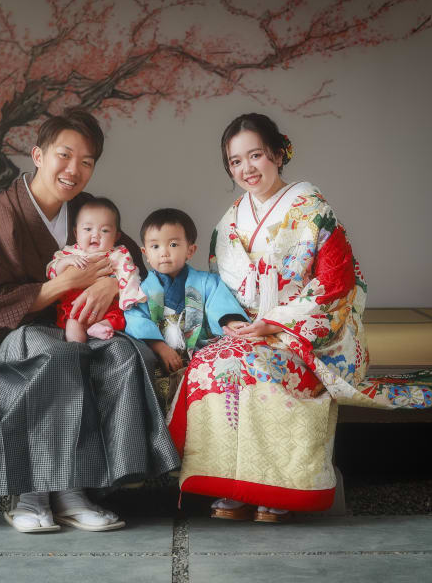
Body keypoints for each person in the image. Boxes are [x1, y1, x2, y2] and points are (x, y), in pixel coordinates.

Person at [0, 108, 180, 534]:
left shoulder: (87, 210)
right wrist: (60, 286)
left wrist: (110, 287)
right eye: (65, 156)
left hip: (75, 327)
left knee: (123, 353)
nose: (74, 170)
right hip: (2, 337)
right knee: (53, 353)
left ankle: (80, 489)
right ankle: (31, 492)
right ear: (38, 155)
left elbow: (128, 256)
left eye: (87, 162)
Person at [167, 112, 374, 523]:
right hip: (249, 329)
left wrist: (277, 323)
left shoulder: (313, 209)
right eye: (235, 161)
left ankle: (280, 487)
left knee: (264, 367)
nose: (246, 168)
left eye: (255, 155)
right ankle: (232, 484)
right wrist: (231, 323)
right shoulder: (230, 221)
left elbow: (337, 284)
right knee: (213, 363)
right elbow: (219, 288)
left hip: (307, 332)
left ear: (278, 154)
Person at [123, 208, 248, 405]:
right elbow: (136, 320)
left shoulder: (207, 282)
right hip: (161, 360)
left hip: (200, 355)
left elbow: (220, 305)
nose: (163, 252)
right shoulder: (140, 291)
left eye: (173, 244)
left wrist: (230, 321)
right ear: (145, 253)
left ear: (190, 250)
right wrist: (161, 348)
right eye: (155, 246)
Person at [47, 197, 146, 343]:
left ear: (116, 236)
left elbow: (130, 276)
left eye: (105, 230)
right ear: (76, 233)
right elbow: (51, 271)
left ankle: (100, 328)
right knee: (73, 324)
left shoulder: (118, 255)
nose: (95, 235)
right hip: (76, 305)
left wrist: (127, 298)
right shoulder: (70, 253)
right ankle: (77, 351)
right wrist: (66, 262)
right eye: (87, 229)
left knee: (119, 320)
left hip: (108, 306)